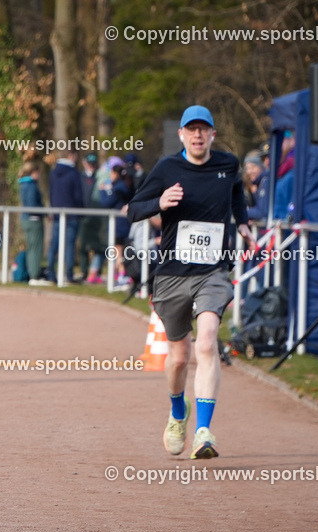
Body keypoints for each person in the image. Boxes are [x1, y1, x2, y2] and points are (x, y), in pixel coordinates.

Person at [127, 105, 255, 459]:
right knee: (180, 356)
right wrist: (160, 202)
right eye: (191, 130)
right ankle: (178, 411)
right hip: (171, 274)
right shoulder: (168, 168)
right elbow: (133, 209)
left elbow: (236, 196)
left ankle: (204, 431)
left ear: (213, 134)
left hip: (213, 271)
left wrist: (242, 224)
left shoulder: (228, 164)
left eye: (204, 129)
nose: (198, 135)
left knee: (208, 341)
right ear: (182, 135)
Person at [46, 150, 85, 283]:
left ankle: (51, 273)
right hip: (72, 215)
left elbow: (51, 194)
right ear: (72, 156)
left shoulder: (53, 173)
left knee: (54, 245)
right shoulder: (74, 174)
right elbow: (78, 195)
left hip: (57, 215)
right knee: (69, 246)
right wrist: (81, 210)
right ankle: (69, 275)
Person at [17, 161, 48, 285]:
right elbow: (32, 205)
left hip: (27, 220)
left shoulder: (24, 184)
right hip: (33, 220)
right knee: (36, 248)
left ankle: (33, 274)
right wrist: (43, 213)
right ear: (34, 172)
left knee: (31, 248)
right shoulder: (31, 185)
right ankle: (34, 275)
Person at [78, 152, 105, 284]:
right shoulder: (79, 177)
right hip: (84, 216)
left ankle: (96, 273)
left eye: (94, 164)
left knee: (100, 246)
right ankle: (84, 271)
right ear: (84, 163)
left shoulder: (99, 177)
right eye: (89, 163)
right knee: (83, 246)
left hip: (98, 217)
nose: (91, 166)